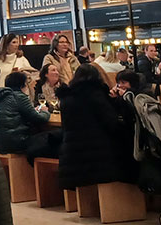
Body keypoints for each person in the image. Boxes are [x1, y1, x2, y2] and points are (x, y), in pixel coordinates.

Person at [56, 63, 136, 193]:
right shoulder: (96, 95)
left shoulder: (66, 97)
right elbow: (111, 122)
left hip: (73, 153)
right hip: (99, 153)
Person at [0, 70, 58, 162]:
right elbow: (40, 119)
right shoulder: (18, 96)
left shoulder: (2, 97)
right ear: (22, 85)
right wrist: (45, 111)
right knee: (54, 136)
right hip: (15, 142)